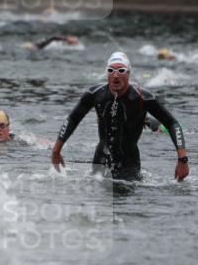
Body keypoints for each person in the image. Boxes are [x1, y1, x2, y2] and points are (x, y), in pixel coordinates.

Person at [51, 51, 189, 182]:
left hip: (129, 163)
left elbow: (172, 124)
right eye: (111, 70)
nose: (115, 75)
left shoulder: (142, 97)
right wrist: (56, 151)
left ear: (128, 74)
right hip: (101, 159)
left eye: (121, 70)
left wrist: (182, 160)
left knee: (127, 204)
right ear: (107, 74)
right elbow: (73, 119)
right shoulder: (95, 94)